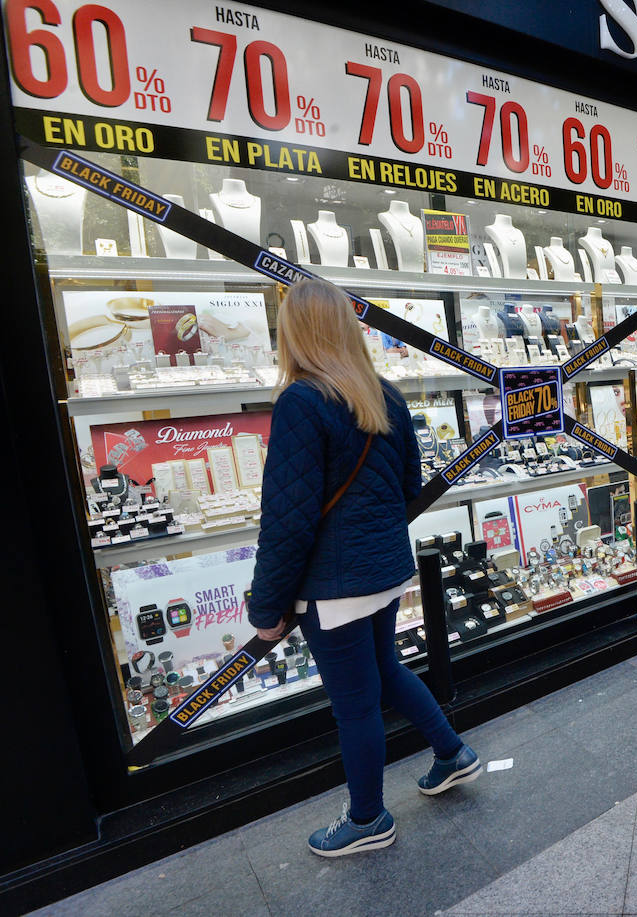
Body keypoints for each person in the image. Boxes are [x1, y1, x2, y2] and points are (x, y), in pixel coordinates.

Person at [248, 279, 481, 858]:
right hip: (381, 571)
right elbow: (407, 489)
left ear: (294, 333)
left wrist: (266, 607)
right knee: (386, 669)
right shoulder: (386, 395)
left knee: (354, 704)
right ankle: (452, 752)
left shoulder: (302, 402)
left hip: (333, 585)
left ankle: (369, 818)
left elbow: (288, 519)